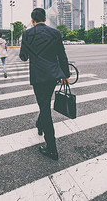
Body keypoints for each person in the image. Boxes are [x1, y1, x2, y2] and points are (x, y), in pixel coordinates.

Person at [19, 8, 70, 160]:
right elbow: (62, 55)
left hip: (38, 76)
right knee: (45, 103)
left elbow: (23, 57)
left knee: (45, 107)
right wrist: (65, 75)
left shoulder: (27, 34)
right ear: (45, 18)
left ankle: (52, 149)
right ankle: (40, 124)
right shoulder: (55, 33)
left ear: (32, 20)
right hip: (53, 76)